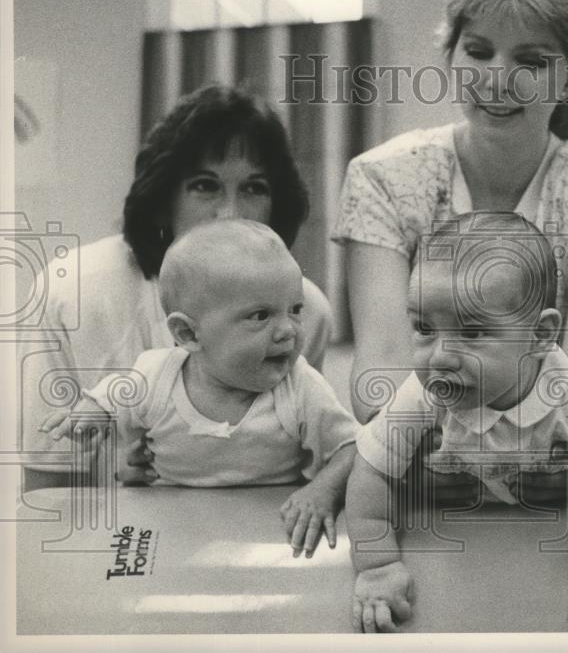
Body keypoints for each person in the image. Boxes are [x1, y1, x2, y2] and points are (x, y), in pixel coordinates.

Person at [333, 0, 568, 457]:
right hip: (417, 478)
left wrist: (493, 441)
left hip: (557, 487)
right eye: (478, 52)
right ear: (451, 56)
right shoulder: (382, 179)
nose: (497, 80)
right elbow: (379, 382)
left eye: (530, 60)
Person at [20, 84, 334, 490]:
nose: (230, 212)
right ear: (164, 195)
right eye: (205, 185)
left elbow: (300, 459)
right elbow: (50, 488)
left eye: (254, 188)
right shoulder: (74, 292)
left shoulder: (306, 309)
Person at [345, 212, 568, 633]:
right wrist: (377, 566)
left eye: (472, 333)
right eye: (424, 328)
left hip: (546, 503)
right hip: (445, 497)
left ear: (540, 336)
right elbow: (371, 471)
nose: (440, 356)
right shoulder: (425, 391)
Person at [40, 220, 358, 558]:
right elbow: (108, 399)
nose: (288, 331)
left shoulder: (299, 387)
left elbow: (352, 447)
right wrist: (91, 414)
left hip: (269, 531)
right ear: (189, 334)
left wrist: (324, 491)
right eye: (261, 315)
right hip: (172, 530)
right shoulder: (155, 377)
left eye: (295, 310)